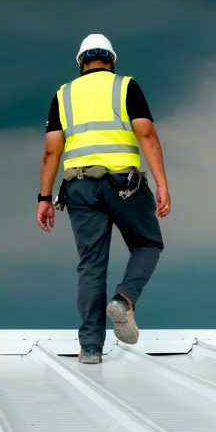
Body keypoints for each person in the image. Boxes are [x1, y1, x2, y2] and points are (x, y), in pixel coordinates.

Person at [36, 34, 171, 364]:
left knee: (91, 265)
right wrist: (162, 182)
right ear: (112, 60)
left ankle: (91, 348)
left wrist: (43, 197)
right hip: (123, 184)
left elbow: (52, 149)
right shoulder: (126, 86)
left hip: (79, 187)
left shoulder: (63, 94)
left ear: (81, 62)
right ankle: (124, 301)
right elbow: (146, 133)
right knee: (147, 244)